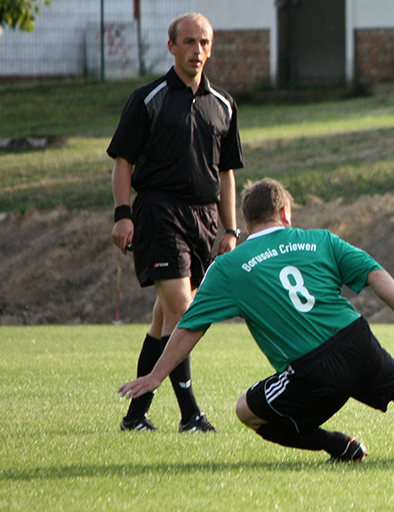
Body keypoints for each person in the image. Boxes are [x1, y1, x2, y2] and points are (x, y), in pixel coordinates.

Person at [118, 178, 394, 462]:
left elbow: (189, 326)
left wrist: (156, 375)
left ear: (247, 224)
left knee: (248, 411)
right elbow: (375, 272)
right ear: (285, 214)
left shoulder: (228, 267)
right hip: (355, 339)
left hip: (311, 371)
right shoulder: (320, 239)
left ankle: (338, 445)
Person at [108, 12, 244, 433]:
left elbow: (226, 173)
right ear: (171, 47)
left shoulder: (222, 105)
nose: (197, 51)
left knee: (164, 321)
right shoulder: (148, 99)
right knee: (186, 312)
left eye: (204, 42)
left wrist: (231, 228)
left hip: (203, 221)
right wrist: (123, 215)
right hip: (158, 213)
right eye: (188, 42)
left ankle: (135, 416)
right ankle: (191, 415)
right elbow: (123, 162)